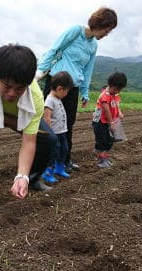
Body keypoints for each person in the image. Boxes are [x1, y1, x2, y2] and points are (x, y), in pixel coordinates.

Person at [0, 44, 57, 210]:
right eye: (7, 86)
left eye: (20, 88)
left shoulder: (35, 99)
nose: (12, 93)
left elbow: (29, 142)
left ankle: (32, 178)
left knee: (48, 140)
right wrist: (11, 122)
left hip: (21, 112)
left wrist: (22, 176)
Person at [36, 6, 118, 172]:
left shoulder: (93, 46)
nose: (106, 34)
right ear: (99, 23)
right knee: (48, 123)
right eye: (106, 30)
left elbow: (87, 70)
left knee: (68, 124)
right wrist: (39, 72)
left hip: (72, 88)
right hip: (56, 83)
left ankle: (64, 160)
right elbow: (54, 49)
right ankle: (44, 163)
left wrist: (85, 92)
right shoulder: (75, 31)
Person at [41, 71, 74, 184]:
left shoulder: (58, 99)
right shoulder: (50, 99)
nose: (66, 94)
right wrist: (49, 133)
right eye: (66, 91)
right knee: (53, 152)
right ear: (60, 89)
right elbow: (47, 118)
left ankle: (59, 169)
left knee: (64, 149)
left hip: (62, 132)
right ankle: (47, 173)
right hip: (54, 133)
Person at [92, 72, 127, 168]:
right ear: (110, 85)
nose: (117, 91)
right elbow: (106, 109)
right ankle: (100, 160)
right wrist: (111, 122)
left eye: (119, 90)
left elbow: (116, 103)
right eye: (116, 89)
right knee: (102, 141)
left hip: (109, 121)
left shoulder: (115, 94)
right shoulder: (105, 95)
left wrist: (119, 112)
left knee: (110, 140)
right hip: (100, 122)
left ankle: (105, 158)